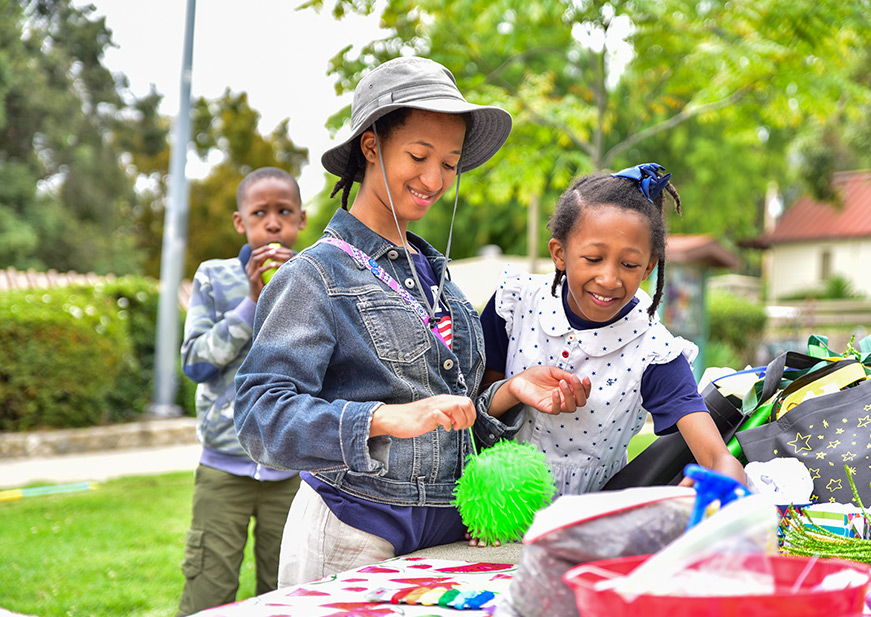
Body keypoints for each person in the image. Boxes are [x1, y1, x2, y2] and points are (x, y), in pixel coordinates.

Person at [233, 56, 589, 588]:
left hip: (446, 543)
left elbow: (449, 415)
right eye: (419, 156)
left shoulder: (436, 279)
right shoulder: (314, 276)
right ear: (371, 147)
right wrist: (380, 418)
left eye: (449, 163)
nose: (434, 179)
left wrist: (511, 390)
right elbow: (260, 418)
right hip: (354, 538)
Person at [479, 163, 746, 498]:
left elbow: (715, 453)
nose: (609, 279)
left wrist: (727, 475)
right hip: (492, 513)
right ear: (559, 253)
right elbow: (474, 414)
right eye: (593, 258)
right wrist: (514, 389)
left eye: (630, 265)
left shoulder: (652, 350)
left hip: (587, 526)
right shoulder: (515, 305)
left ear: (649, 267)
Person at [177, 167, 307, 616]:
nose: (273, 223)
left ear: (302, 220)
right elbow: (195, 361)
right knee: (208, 588)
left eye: (284, 212)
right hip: (223, 471)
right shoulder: (213, 278)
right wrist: (252, 301)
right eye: (260, 213)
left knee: (286, 591)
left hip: (288, 470)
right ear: (241, 222)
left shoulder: (311, 278)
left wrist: (291, 292)